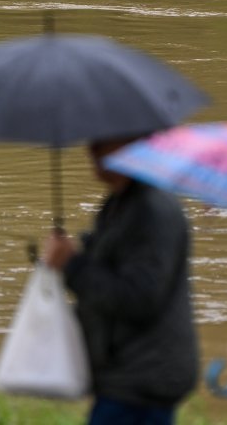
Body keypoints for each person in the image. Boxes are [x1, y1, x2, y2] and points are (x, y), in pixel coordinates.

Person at [43, 136, 199, 425]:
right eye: (92, 141)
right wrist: (75, 257)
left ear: (133, 144)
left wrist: (73, 265)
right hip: (126, 374)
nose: (91, 149)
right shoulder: (121, 203)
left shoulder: (150, 210)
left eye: (104, 142)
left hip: (142, 379)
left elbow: (139, 298)